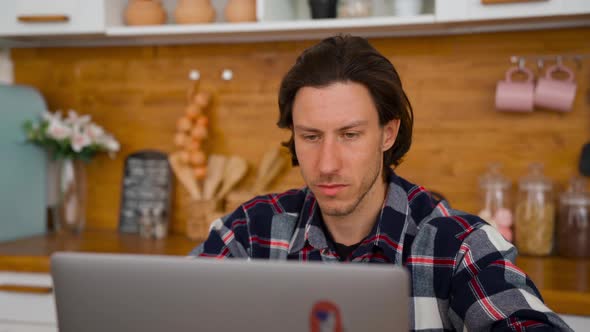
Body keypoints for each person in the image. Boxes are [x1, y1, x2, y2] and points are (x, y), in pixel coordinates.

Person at [190, 35, 571, 331]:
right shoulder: (247, 233)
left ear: (387, 134)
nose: (327, 164)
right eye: (310, 136)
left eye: (350, 134)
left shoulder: (459, 247)